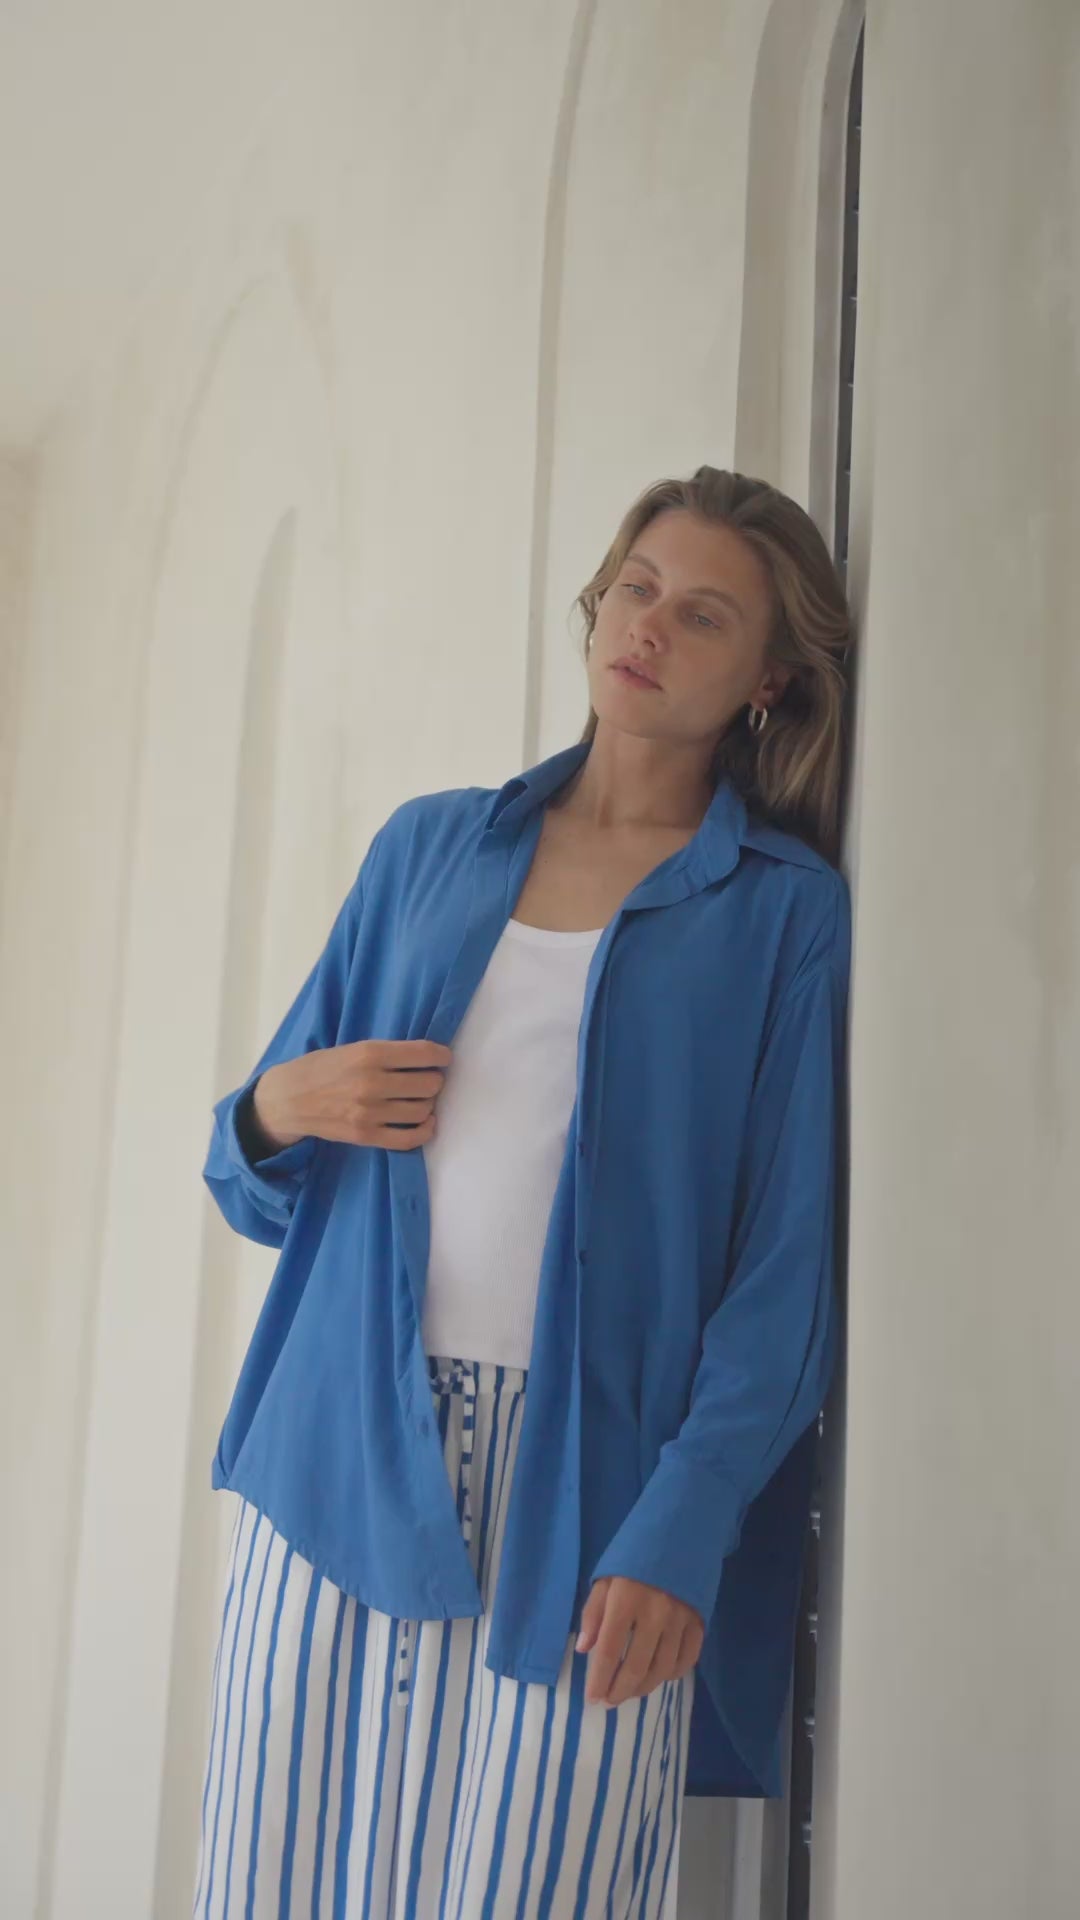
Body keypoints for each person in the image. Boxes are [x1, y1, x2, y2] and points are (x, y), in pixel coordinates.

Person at [191, 464, 852, 1919]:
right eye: (635, 588)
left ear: (770, 681)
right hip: (339, 1456)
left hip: (600, 1494)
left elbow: (785, 1275)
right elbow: (251, 1183)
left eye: (702, 614)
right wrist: (268, 1109)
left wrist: (685, 1527)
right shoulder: (432, 847)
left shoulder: (785, 916)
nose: (649, 627)